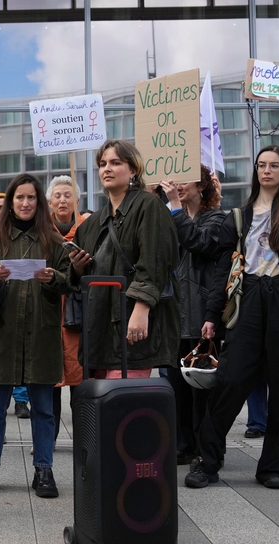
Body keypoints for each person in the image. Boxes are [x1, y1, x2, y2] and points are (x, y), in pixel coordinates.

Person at [186, 87, 279, 490]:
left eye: (274, 164)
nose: (266, 169)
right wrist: (211, 317)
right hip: (249, 303)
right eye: (262, 164)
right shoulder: (238, 217)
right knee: (228, 382)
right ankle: (207, 461)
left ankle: (277, 468)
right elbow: (210, 254)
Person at [0, 173, 68, 498]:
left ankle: (44, 469)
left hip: (41, 336)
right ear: (10, 203)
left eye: (31, 198)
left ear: (39, 203)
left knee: (43, 409)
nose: (25, 203)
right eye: (19, 198)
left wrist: (54, 277)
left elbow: (70, 282)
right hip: (1, 336)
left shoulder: (53, 241)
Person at [69, 140, 180, 379]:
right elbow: (76, 278)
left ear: (133, 170)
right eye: (102, 164)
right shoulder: (90, 224)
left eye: (115, 162)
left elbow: (156, 261)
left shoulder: (149, 206)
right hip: (97, 329)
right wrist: (76, 269)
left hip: (132, 324)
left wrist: (141, 309)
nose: (106, 168)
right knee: (99, 407)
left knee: (123, 406)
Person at [159, 166, 224, 465]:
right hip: (174, 313)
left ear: (201, 186)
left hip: (201, 314)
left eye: (184, 179)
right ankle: (182, 444)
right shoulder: (170, 217)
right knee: (175, 386)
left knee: (202, 389)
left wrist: (174, 207)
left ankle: (205, 447)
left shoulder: (217, 220)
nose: (177, 185)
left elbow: (200, 242)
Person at [48, 175, 87, 440]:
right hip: (49, 313)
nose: (63, 199)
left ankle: (85, 436)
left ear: (78, 200)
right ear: (49, 201)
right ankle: (46, 438)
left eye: (68, 194)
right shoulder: (41, 230)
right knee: (48, 382)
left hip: (79, 315)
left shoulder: (89, 228)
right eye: (58, 195)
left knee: (80, 380)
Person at [0, 192, 30, 417]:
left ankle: (21, 400)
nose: (2, 211)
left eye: (6, 206)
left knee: (21, 354)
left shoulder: (25, 237)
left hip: (21, 302)